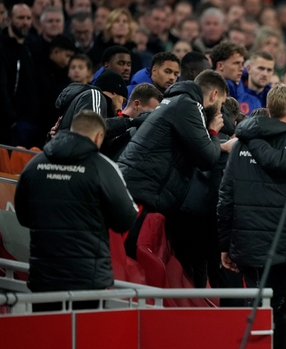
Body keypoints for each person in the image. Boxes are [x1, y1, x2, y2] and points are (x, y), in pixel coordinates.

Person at [218, 85, 286, 349]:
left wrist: (225, 243)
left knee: (258, 319)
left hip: (251, 250)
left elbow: (226, 196)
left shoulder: (241, 144)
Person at [14, 110, 137, 303]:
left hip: (44, 275)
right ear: (98, 136)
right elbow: (126, 219)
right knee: (81, 324)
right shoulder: (103, 167)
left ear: (72, 130)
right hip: (87, 279)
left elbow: (22, 216)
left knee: (46, 322)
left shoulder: (35, 165)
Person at [118, 69, 230, 215]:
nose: (220, 111)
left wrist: (219, 146)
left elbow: (195, 146)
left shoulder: (176, 101)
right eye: (221, 103)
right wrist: (213, 131)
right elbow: (208, 159)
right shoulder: (189, 106)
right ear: (214, 95)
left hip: (138, 189)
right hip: (142, 194)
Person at [2, 3, 46, 148]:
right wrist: (11, 119)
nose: (25, 22)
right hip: (12, 123)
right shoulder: (2, 47)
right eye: (20, 18)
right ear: (9, 19)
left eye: (28, 18)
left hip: (34, 120)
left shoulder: (33, 46)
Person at [210, 42, 260, 115]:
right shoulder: (206, 94)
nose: (242, 68)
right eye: (236, 63)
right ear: (220, 66)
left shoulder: (251, 100)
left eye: (242, 64)